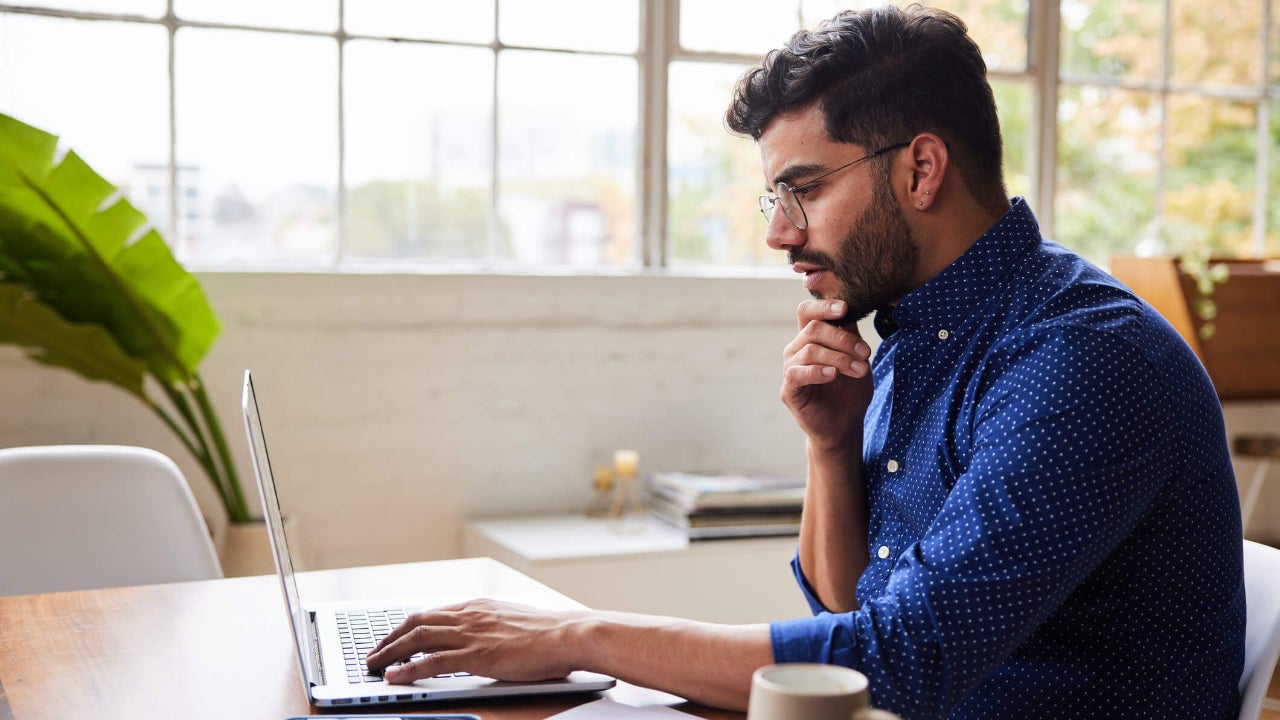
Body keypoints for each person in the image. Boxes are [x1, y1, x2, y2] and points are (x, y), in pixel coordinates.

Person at [366, 5, 1245, 718]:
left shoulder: (1081, 358)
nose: (779, 232)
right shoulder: (911, 327)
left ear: (922, 169)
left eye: (805, 189)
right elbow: (850, 613)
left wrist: (576, 636)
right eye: (773, 196)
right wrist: (833, 448)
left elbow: (897, 663)